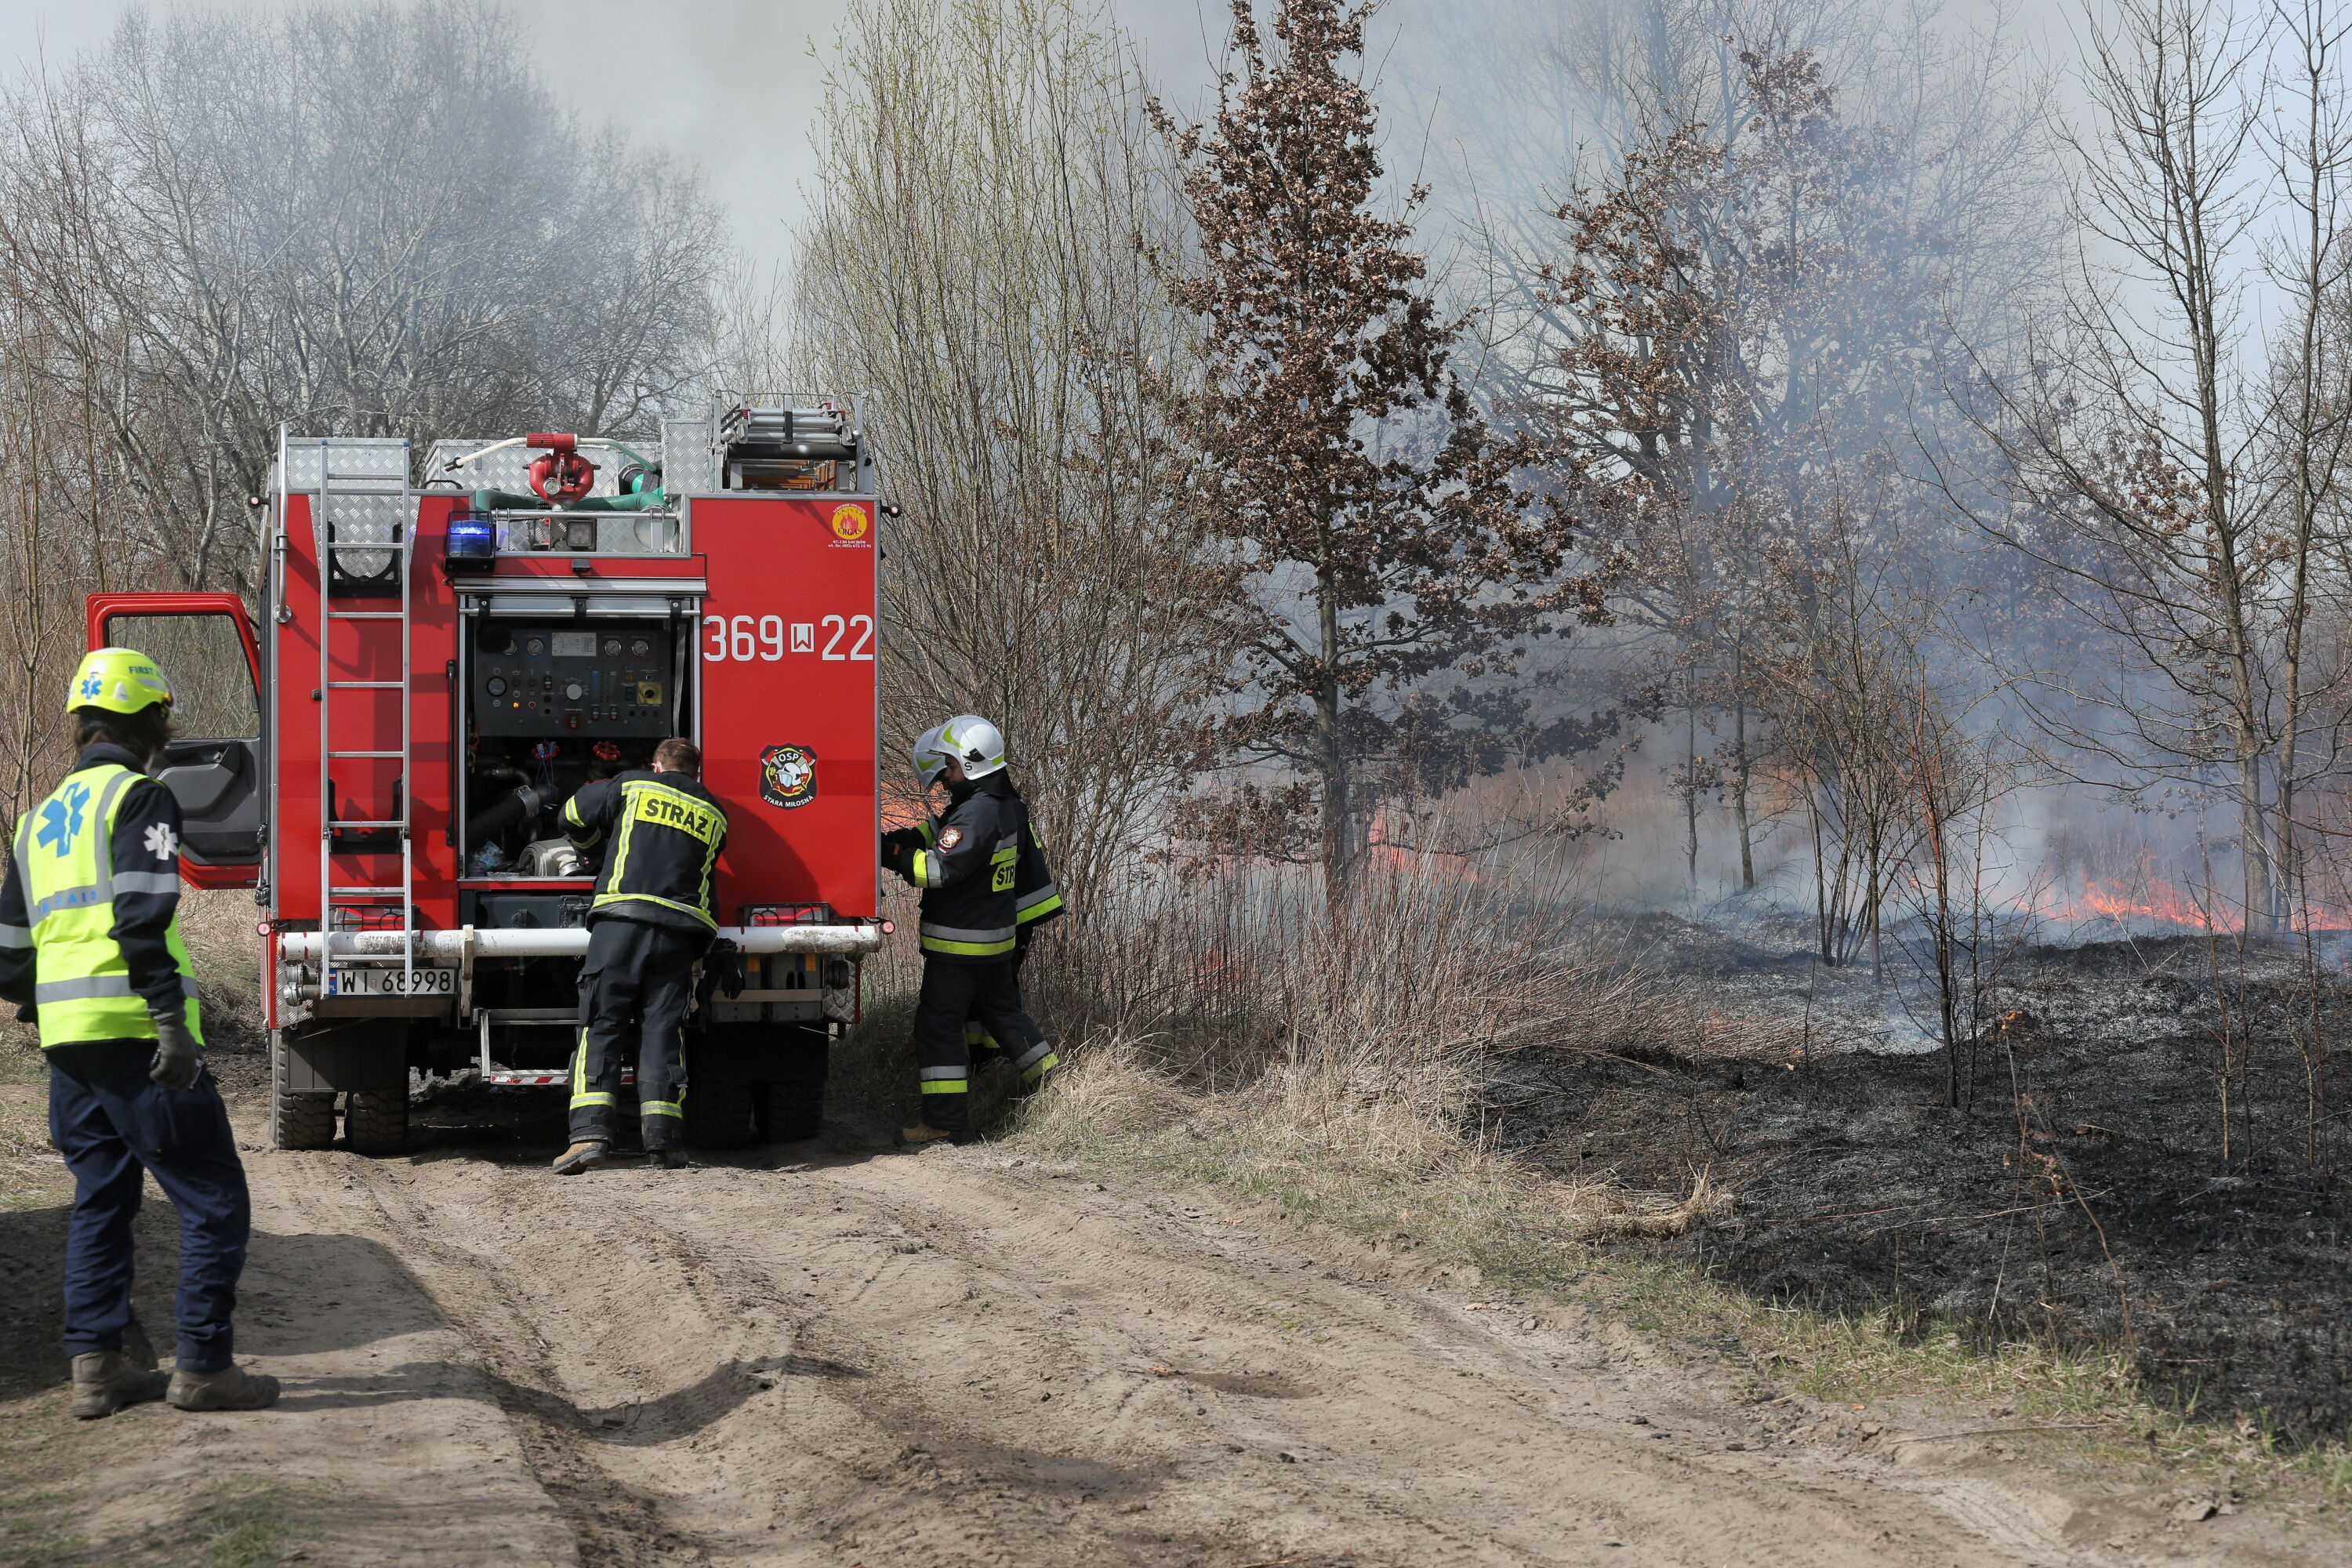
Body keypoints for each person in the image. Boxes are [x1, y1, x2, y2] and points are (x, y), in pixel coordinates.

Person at [0, 648, 278, 1417]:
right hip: (137, 1033)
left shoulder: (35, 820)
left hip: (68, 1042)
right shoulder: (139, 797)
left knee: (101, 1199)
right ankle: (204, 1367)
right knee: (214, 1196)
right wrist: (169, 1022)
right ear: (148, 719)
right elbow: (139, 917)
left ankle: (95, 1366)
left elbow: (8, 958)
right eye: (165, 716)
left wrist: (53, 1009)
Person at [554, 737, 728, 1173]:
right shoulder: (715, 812)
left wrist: (594, 848)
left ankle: (590, 1139)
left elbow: (572, 813)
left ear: (656, 765)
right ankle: (664, 1143)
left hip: (622, 925)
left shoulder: (631, 786)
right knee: (663, 1032)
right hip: (680, 934)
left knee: (603, 1024)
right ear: (696, 773)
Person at [879, 715, 1054, 1145]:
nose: (945, 777)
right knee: (1004, 1016)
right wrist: (888, 841)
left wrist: (900, 859)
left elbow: (936, 869)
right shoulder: (1004, 804)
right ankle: (1057, 1087)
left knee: (937, 1026)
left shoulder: (976, 812)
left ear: (971, 765)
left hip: (960, 947)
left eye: (951, 768)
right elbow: (940, 831)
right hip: (995, 942)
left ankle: (943, 1122)